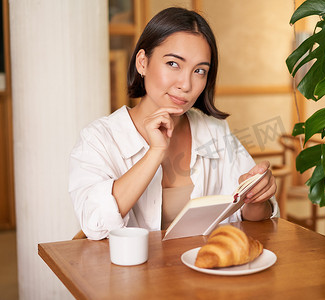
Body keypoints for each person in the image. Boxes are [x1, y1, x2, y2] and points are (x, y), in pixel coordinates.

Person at [69, 7, 279, 240]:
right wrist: (155, 153)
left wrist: (257, 197)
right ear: (142, 62)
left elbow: (254, 217)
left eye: (199, 71)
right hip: (129, 274)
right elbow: (95, 224)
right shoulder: (99, 139)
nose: (186, 84)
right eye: (173, 64)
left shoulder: (215, 131)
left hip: (203, 269)